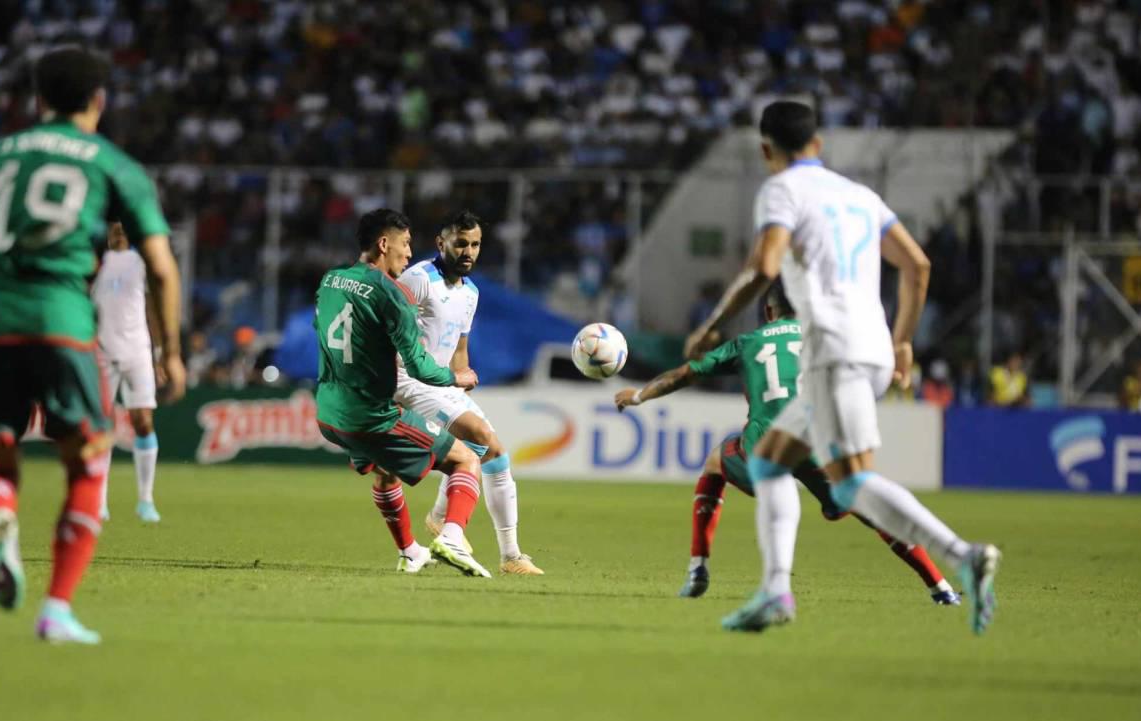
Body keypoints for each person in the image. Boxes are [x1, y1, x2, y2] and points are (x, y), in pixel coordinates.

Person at [684, 100, 1000, 635]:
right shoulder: (861, 196)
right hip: (873, 346)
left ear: (766, 150)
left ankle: (963, 555)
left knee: (853, 484)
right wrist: (903, 341)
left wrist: (712, 325)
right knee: (771, 462)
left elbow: (764, 266)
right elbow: (917, 266)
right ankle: (775, 591)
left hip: (833, 348)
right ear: (818, 144)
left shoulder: (782, 190)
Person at [0, 47, 186, 644]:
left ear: (39, 101)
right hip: (59, 319)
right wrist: (172, 352)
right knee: (87, 459)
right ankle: (56, 608)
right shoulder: (114, 165)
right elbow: (162, 268)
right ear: (98, 101)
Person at [616, 285, 958, 604]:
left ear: (768, 311)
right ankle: (940, 587)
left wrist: (639, 395)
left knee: (715, 462)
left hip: (766, 448)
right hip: (819, 443)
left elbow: (684, 374)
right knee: (869, 507)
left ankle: (697, 569)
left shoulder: (747, 342)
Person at [313, 208, 490, 577]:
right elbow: (420, 367)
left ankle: (410, 552)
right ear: (383, 244)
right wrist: (455, 377)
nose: (409, 254)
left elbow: (324, 332)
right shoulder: (392, 295)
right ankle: (452, 538)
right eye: (405, 244)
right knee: (466, 460)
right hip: (369, 416)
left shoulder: (331, 280)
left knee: (385, 472)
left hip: (328, 412)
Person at [394, 211, 543, 575]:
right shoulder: (417, 278)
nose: (469, 251)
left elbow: (459, 349)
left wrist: (464, 386)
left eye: (475, 244)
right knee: (480, 438)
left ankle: (511, 555)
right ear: (440, 243)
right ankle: (447, 524)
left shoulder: (470, 293)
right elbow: (389, 326)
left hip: (443, 384)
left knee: (495, 453)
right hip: (408, 381)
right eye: (461, 243)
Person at [92, 222, 164, 523]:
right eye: (114, 226)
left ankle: (146, 500)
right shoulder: (95, 262)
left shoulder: (142, 262)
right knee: (101, 426)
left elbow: (153, 308)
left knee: (143, 421)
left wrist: (159, 354)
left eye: (123, 227)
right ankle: (99, 502)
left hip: (138, 350)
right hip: (102, 351)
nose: (119, 231)